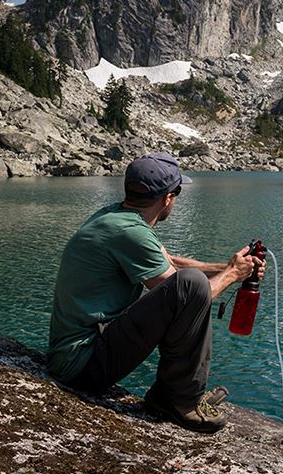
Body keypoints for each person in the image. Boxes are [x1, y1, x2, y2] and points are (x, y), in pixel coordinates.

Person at [47, 152, 264, 433]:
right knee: (192, 286)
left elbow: (168, 262)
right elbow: (188, 295)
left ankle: (172, 393)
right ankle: (179, 400)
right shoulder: (131, 232)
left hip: (74, 354)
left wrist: (229, 266)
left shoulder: (116, 217)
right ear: (168, 198)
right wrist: (233, 275)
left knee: (190, 281)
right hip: (82, 365)